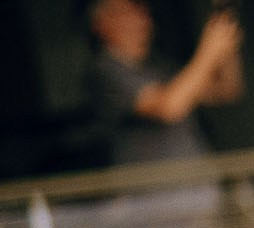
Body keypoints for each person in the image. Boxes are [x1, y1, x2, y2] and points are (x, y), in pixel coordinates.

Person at [87, 0, 242, 166]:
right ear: (100, 24)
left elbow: (225, 90)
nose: (139, 19)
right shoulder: (105, 69)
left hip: (197, 183)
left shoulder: (160, 66)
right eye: (126, 12)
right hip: (155, 189)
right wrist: (209, 52)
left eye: (141, 11)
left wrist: (224, 32)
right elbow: (168, 107)